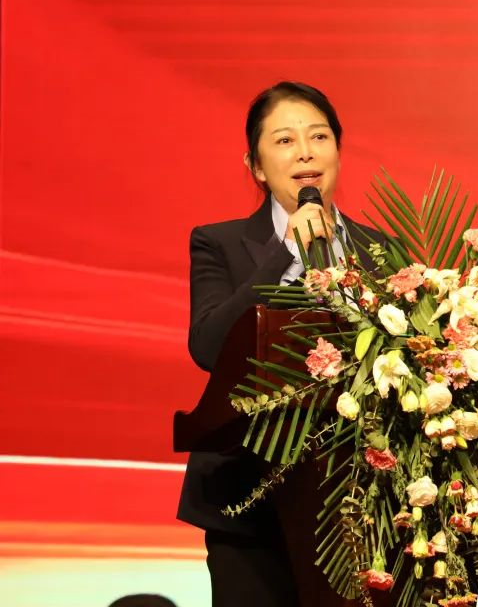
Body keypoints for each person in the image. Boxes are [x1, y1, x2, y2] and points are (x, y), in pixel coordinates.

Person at [176, 82, 379, 606]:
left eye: (319, 136)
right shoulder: (218, 243)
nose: (306, 152)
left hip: (359, 508)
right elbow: (209, 346)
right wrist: (285, 252)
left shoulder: (383, 252)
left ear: (338, 151)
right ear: (257, 167)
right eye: (285, 140)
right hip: (249, 502)